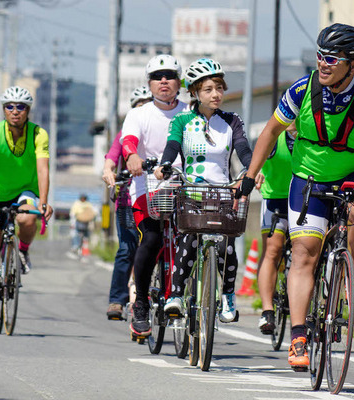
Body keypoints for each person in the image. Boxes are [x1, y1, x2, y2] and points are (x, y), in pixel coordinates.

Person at [237, 24, 354, 370]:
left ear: (353, 64)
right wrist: (250, 176)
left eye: (332, 58)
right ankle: (298, 335)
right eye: (320, 56)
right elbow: (270, 132)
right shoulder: (303, 89)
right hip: (308, 179)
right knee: (303, 254)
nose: (323, 64)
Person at [155, 58, 253, 323]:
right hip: (191, 194)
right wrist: (165, 165)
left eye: (219, 88)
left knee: (227, 249)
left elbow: (243, 149)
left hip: (222, 194)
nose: (216, 94)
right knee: (189, 239)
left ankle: (228, 298)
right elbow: (173, 146)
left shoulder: (232, 121)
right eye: (208, 89)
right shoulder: (182, 120)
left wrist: (251, 169)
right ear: (195, 92)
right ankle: (176, 296)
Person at [121, 54, 188, 336]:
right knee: (152, 237)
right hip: (146, 186)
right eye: (158, 76)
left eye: (170, 75)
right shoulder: (138, 114)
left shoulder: (191, 112)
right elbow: (129, 141)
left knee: (194, 238)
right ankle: (142, 304)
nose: (164, 81)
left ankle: (193, 296)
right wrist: (133, 157)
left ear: (179, 82)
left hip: (184, 187)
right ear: (149, 83)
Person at [0, 86, 53, 321]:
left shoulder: (39, 134)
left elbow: (43, 168)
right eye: (10, 106)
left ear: (28, 110)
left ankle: (23, 251)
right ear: (4, 110)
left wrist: (44, 201)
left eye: (21, 107)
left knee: (28, 217)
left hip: (25, 190)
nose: (15, 111)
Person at [102, 85, 152, 320]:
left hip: (158, 196)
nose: (143, 110)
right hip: (127, 199)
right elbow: (112, 157)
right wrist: (109, 170)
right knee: (127, 249)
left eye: (147, 104)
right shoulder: (124, 135)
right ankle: (117, 299)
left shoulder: (164, 129)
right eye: (138, 106)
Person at [256, 125, 294, 334]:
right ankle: (267, 311)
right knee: (272, 249)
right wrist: (258, 170)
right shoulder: (276, 134)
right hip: (275, 197)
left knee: (307, 251)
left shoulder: (315, 133)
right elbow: (258, 154)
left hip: (304, 198)